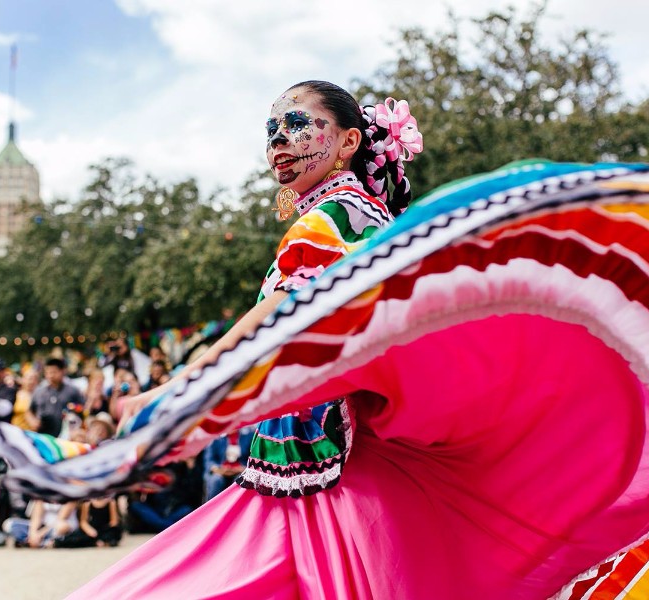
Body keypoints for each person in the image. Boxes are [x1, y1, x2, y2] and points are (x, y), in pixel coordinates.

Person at [68, 80, 421, 598]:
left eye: (297, 124)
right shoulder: (359, 213)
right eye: (271, 130)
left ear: (348, 143)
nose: (278, 140)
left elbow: (269, 325)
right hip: (317, 459)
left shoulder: (330, 219)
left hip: (320, 464)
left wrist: (169, 393)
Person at [30, 357, 83, 437]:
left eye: (53, 372)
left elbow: (82, 408)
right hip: (43, 434)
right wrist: (33, 421)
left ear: (62, 372)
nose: (50, 375)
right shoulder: (39, 391)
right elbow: (29, 410)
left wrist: (73, 409)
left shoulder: (72, 390)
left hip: (66, 435)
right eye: (47, 372)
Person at [54, 496, 122, 548]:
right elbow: (83, 522)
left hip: (105, 528)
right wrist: (89, 530)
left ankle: (100, 541)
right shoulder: (87, 504)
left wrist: (102, 530)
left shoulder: (111, 502)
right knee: (77, 538)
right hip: (91, 528)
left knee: (112, 534)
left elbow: (114, 521)